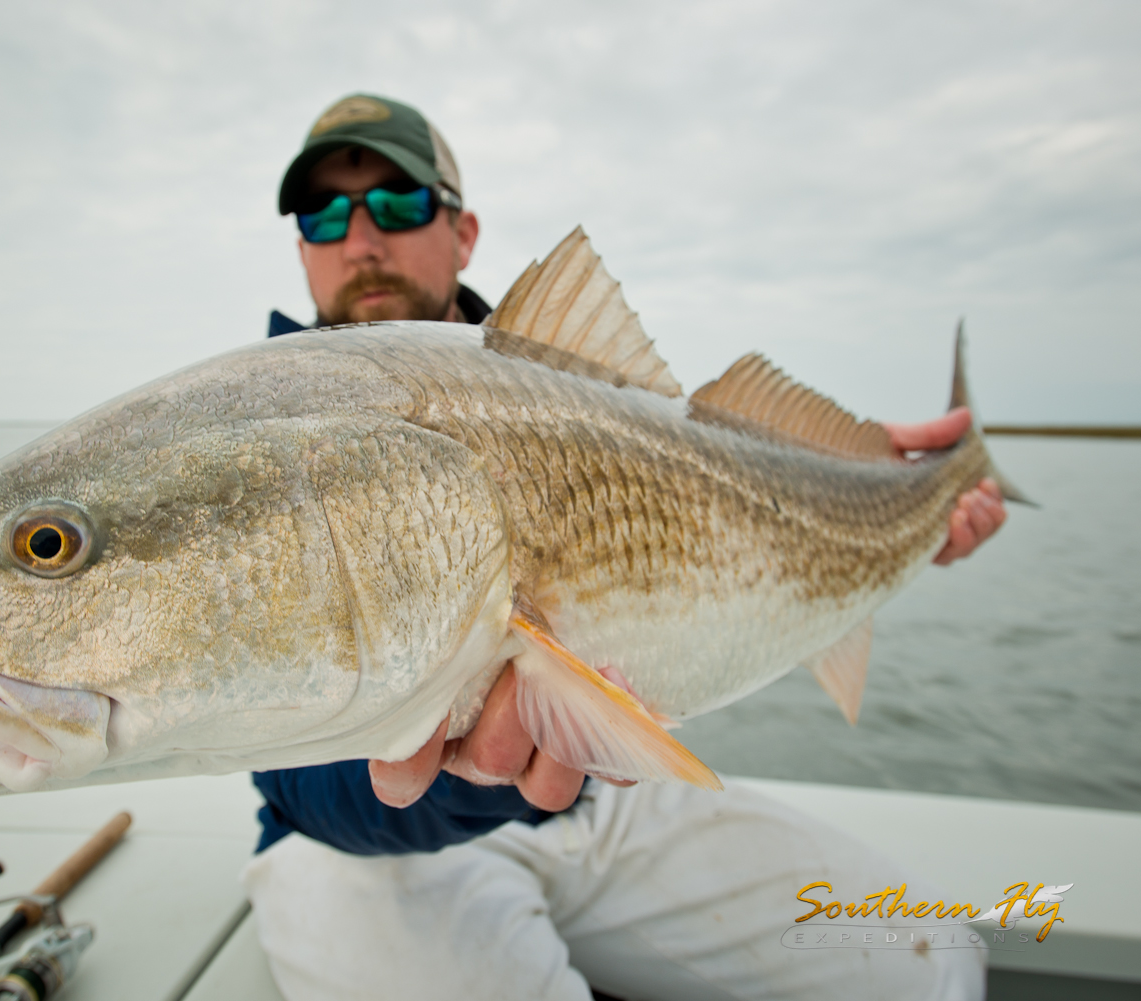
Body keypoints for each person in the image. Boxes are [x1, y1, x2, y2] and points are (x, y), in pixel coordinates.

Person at [246, 93, 1003, 1001]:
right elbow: (294, 785)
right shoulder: (248, 441)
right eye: (323, 212)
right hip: (360, 852)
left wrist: (877, 496)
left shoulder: (573, 388)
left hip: (607, 801)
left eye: (399, 201)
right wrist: (488, 773)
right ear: (300, 246)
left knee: (930, 957)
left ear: (464, 228)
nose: (360, 236)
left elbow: (745, 510)